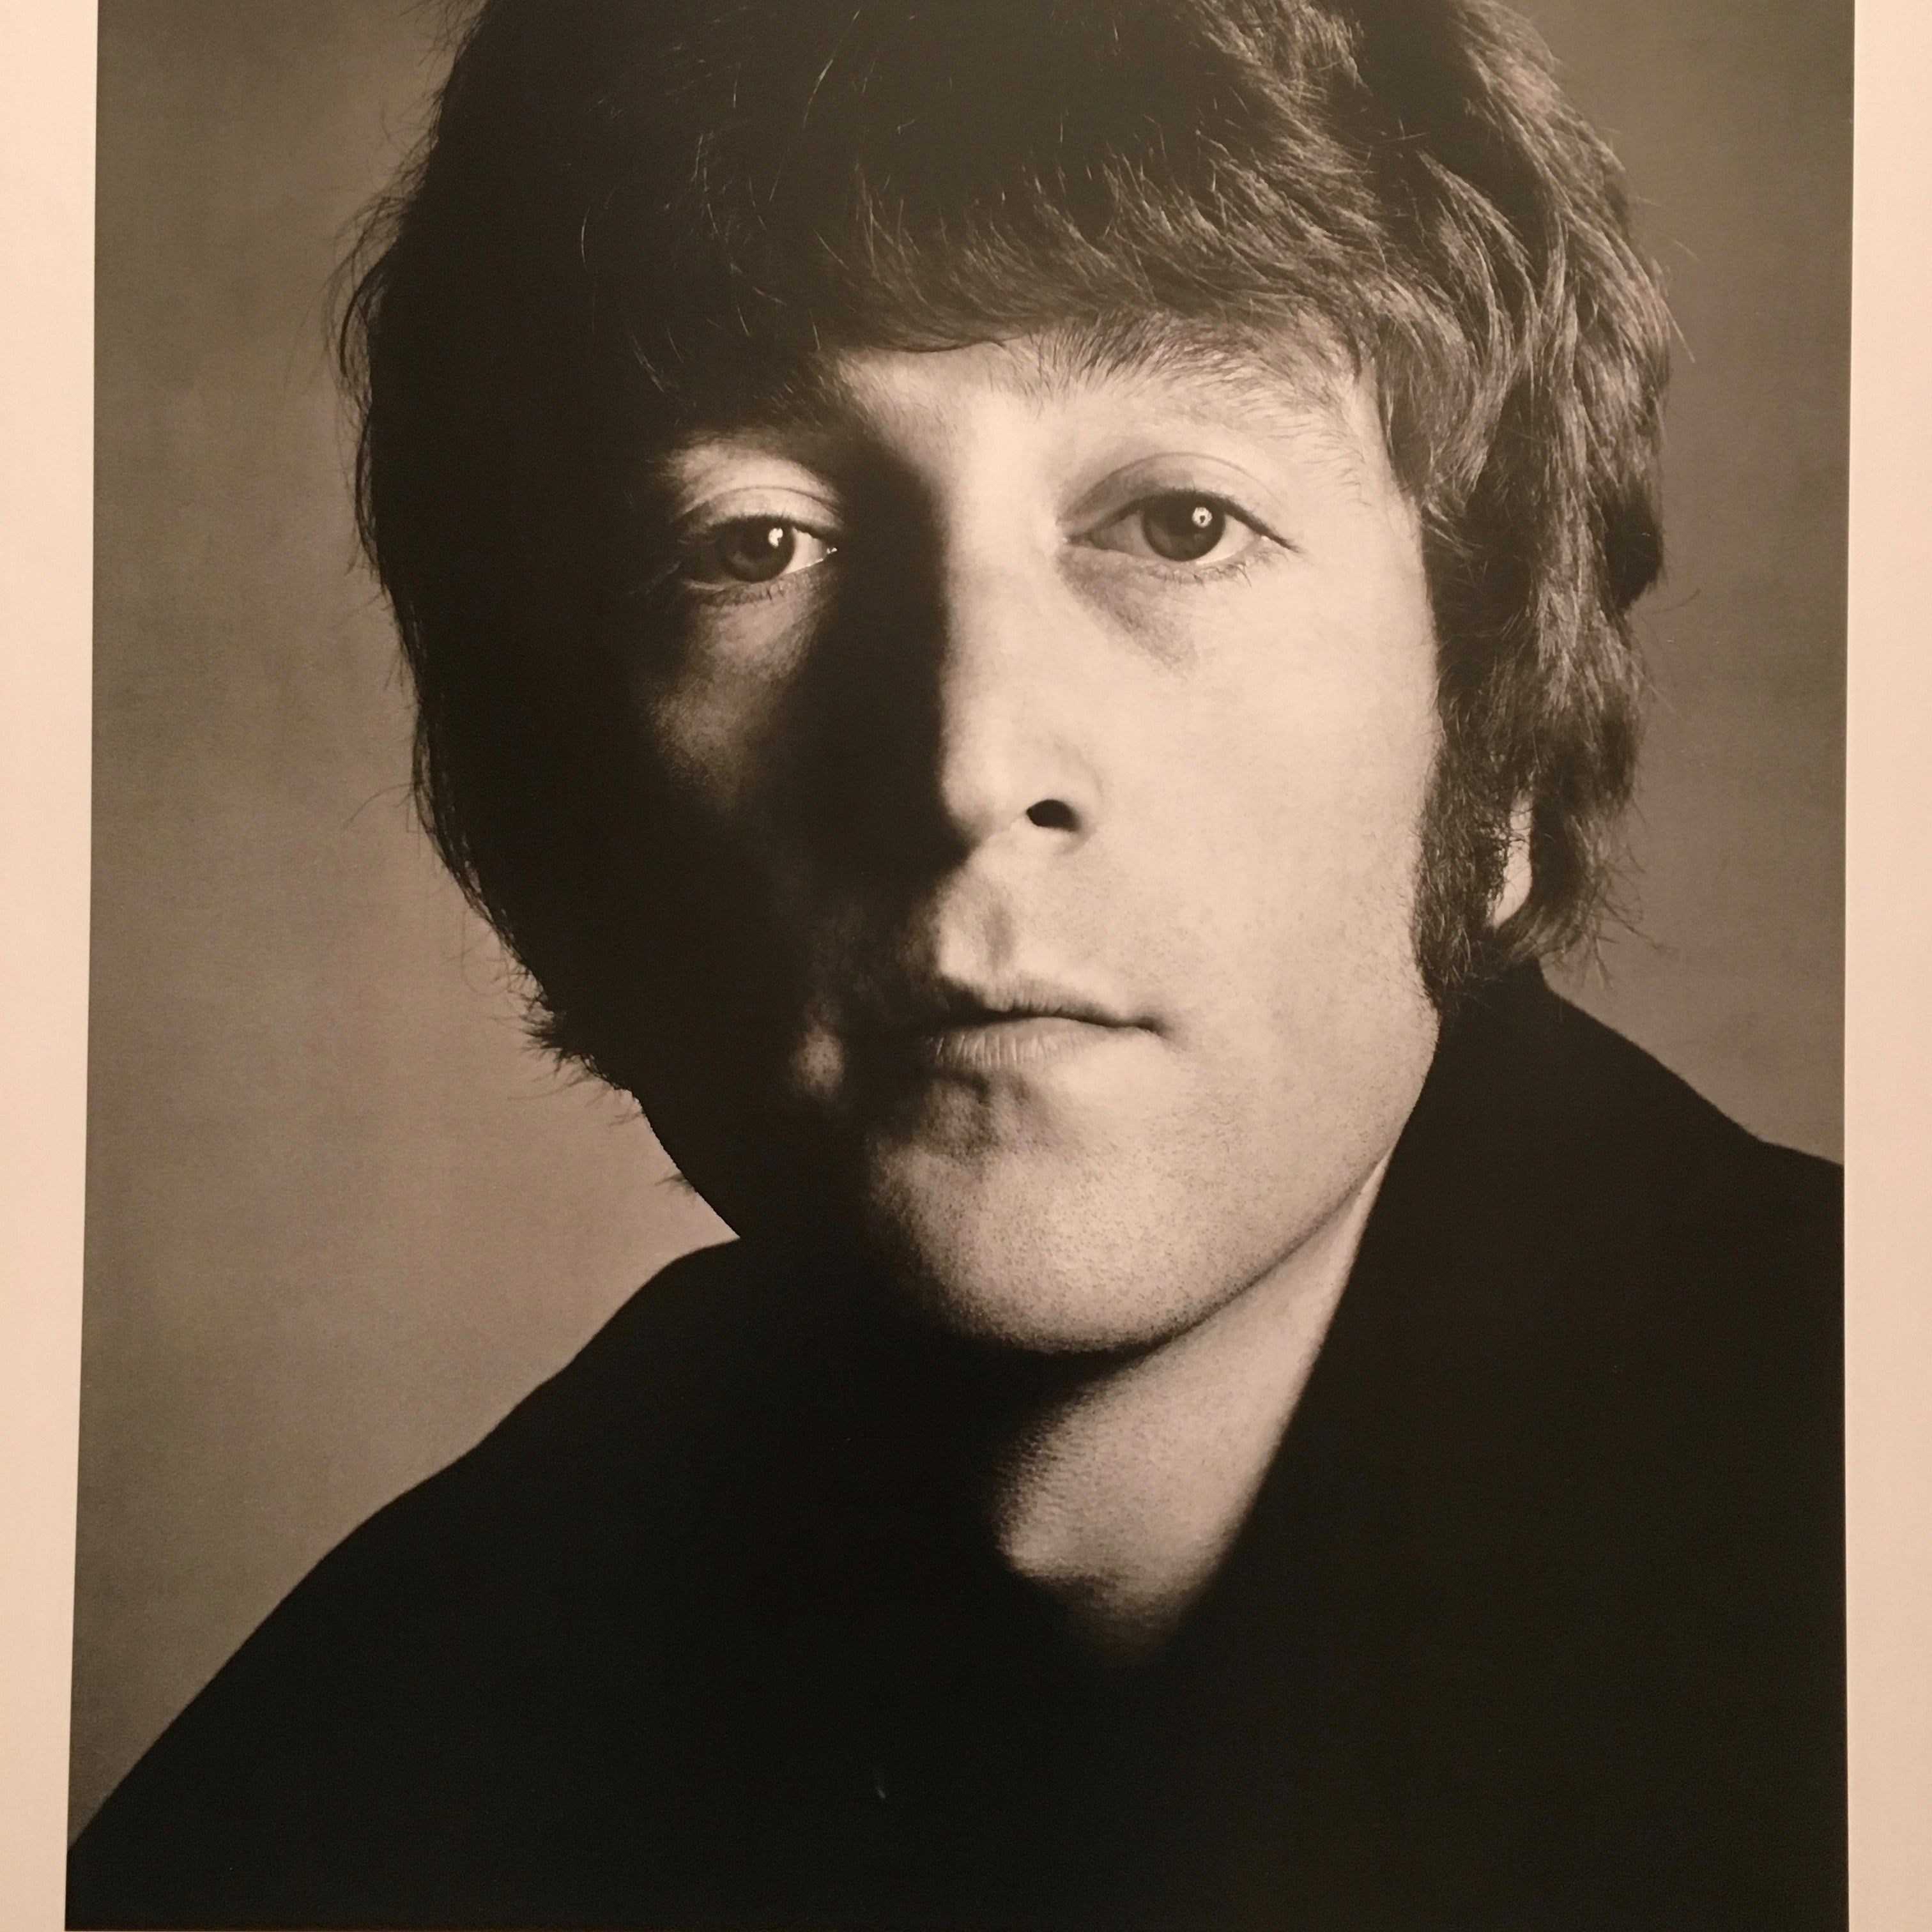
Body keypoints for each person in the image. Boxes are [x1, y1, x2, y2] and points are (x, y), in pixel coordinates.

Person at [67, 0, 1844, 1925]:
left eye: (1180, 523)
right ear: (565, 819)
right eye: (755, 544)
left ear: (1496, 760)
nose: (965, 762)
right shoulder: (380, 1759)